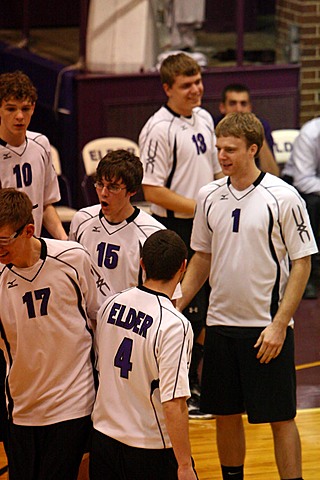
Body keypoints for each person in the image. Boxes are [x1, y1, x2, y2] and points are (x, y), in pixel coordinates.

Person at [178, 112, 318, 480]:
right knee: (225, 414)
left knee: (280, 418)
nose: (221, 156)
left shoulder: (284, 197)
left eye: (230, 149)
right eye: (219, 148)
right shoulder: (209, 196)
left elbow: (302, 264)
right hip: (221, 325)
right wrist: (176, 303)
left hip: (265, 330)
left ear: (253, 149)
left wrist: (279, 324)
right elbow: (202, 256)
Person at [139, 52, 223, 418]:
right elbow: (152, 190)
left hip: (206, 223)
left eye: (198, 81)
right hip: (176, 228)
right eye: (187, 85)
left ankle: (197, 384)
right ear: (168, 88)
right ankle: (182, 387)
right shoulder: (159, 129)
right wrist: (200, 205)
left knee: (208, 306)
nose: (196, 89)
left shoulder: (205, 117)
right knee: (184, 310)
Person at [0, 188, 100, 480]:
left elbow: (96, 316)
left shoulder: (73, 258)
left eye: (4, 240)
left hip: (73, 403)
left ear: (29, 230)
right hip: (22, 408)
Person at [90, 229, 197, 480]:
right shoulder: (174, 324)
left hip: (103, 439)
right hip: (149, 447)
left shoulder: (110, 304)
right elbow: (173, 403)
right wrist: (184, 465)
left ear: (142, 264)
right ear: (183, 267)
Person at [69, 149, 169, 296]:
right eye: (99, 184)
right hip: (85, 317)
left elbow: (165, 298)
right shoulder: (82, 220)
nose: (103, 193)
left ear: (132, 191)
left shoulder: (152, 234)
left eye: (113, 187)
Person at [0, 70, 68, 240]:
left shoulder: (41, 144)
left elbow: (45, 205)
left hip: (31, 250)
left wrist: (66, 242)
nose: (19, 116)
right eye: (11, 109)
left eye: (25, 108)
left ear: (34, 108)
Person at [282, 117, 320, 299]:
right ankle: (308, 276)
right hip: (301, 187)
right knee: (312, 205)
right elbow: (304, 181)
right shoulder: (310, 134)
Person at [214, 83, 279, 176]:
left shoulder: (261, 126)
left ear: (250, 107)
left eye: (243, 104)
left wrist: (257, 133)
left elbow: (273, 174)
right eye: (233, 103)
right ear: (222, 107)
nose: (238, 109)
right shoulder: (212, 126)